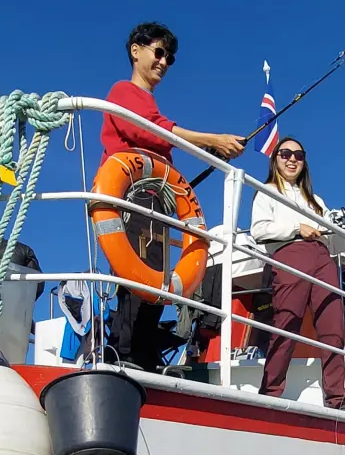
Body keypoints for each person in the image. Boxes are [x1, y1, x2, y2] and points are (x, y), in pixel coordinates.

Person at [100, 23, 245, 371]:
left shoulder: (147, 102)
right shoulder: (123, 90)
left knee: (154, 280)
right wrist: (212, 140)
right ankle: (126, 354)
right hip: (135, 202)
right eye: (159, 52)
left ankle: (142, 353)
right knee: (138, 279)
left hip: (157, 205)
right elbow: (146, 128)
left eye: (170, 58)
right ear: (136, 51)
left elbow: (158, 142)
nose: (164, 62)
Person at [251, 138, 345, 410]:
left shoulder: (316, 201)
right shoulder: (266, 191)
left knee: (333, 330)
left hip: (323, 260)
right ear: (275, 159)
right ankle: (269, 394)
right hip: (290, 256)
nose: (292, 159)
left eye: (299, 155)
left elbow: (333, 242)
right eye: (285, 154)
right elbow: (259, 230)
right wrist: (298, 227)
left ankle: (337, 400)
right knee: (286, 323)